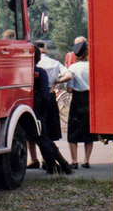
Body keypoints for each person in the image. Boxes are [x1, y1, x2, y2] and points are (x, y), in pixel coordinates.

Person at [28, 46, 73, 175]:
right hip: (39, 107)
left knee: (42, 138)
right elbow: (45, 95)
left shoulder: (24, 71)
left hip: (28, 107)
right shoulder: (41, 72)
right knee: (44, 138)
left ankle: (55, 166)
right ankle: (60, 165)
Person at [61, 40, 96, 169]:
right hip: (90, 98)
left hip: (77, 99)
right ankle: (86, 160)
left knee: (73, 131)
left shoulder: (73, 68)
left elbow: (69, 89)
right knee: (89, 131)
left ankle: (74, 160)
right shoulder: (92, 66)